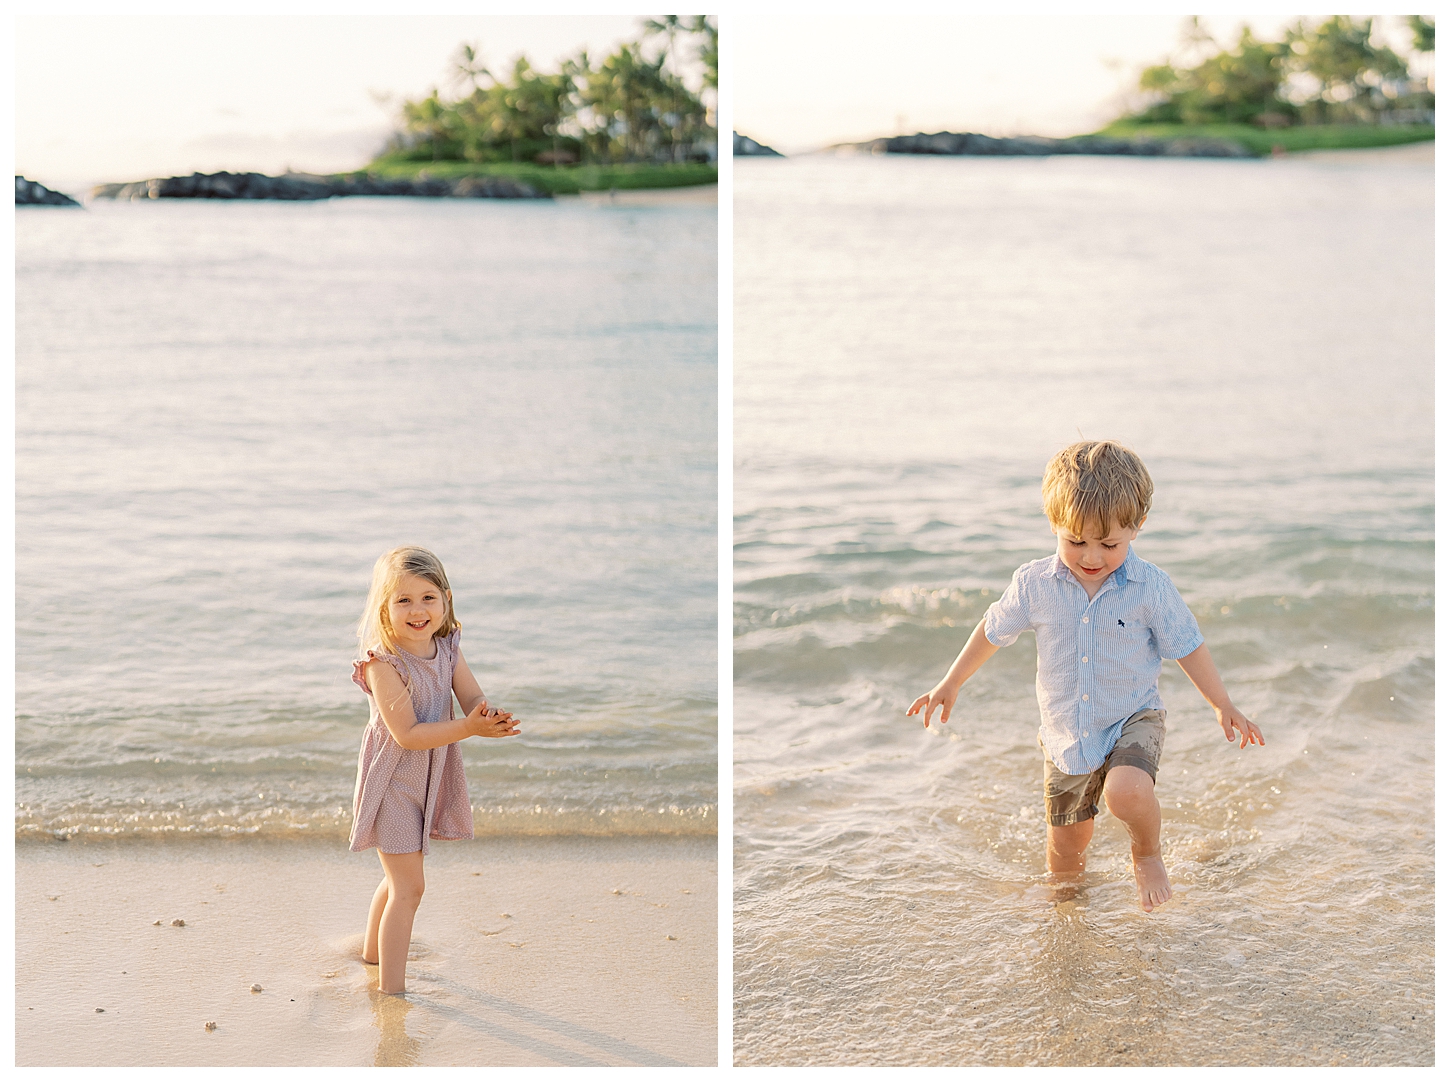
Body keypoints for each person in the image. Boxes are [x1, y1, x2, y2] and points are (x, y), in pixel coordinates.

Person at [907, 441, 1264, 912]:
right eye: (1076, 541)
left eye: (1109, 544)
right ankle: (1069, 912)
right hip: (1067, 732)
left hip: (1134, 714)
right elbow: (992, 630)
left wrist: (1222, 704)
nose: (1091, 556)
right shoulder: (1035, 584)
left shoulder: (1150, 587)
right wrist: (950, 683)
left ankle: (1147, 852)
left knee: (1126, 790)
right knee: (1067, 849)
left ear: (1136, 529)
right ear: (1054, 524)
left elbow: (1188, 645)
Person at [350, 546, 519, 992]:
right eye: (403, 600)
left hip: (428, 779)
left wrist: (487, 717)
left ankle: (372, 956)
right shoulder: (382, 665)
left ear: (445, 599)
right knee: (410, 888)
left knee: (397, 880)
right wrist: (467, 728)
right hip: (392, 785)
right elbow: (406, 734)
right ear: (384, 610)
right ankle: (392, 992)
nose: (417, 610)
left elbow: (471, 697)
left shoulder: (447, 649)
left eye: (428, 597)